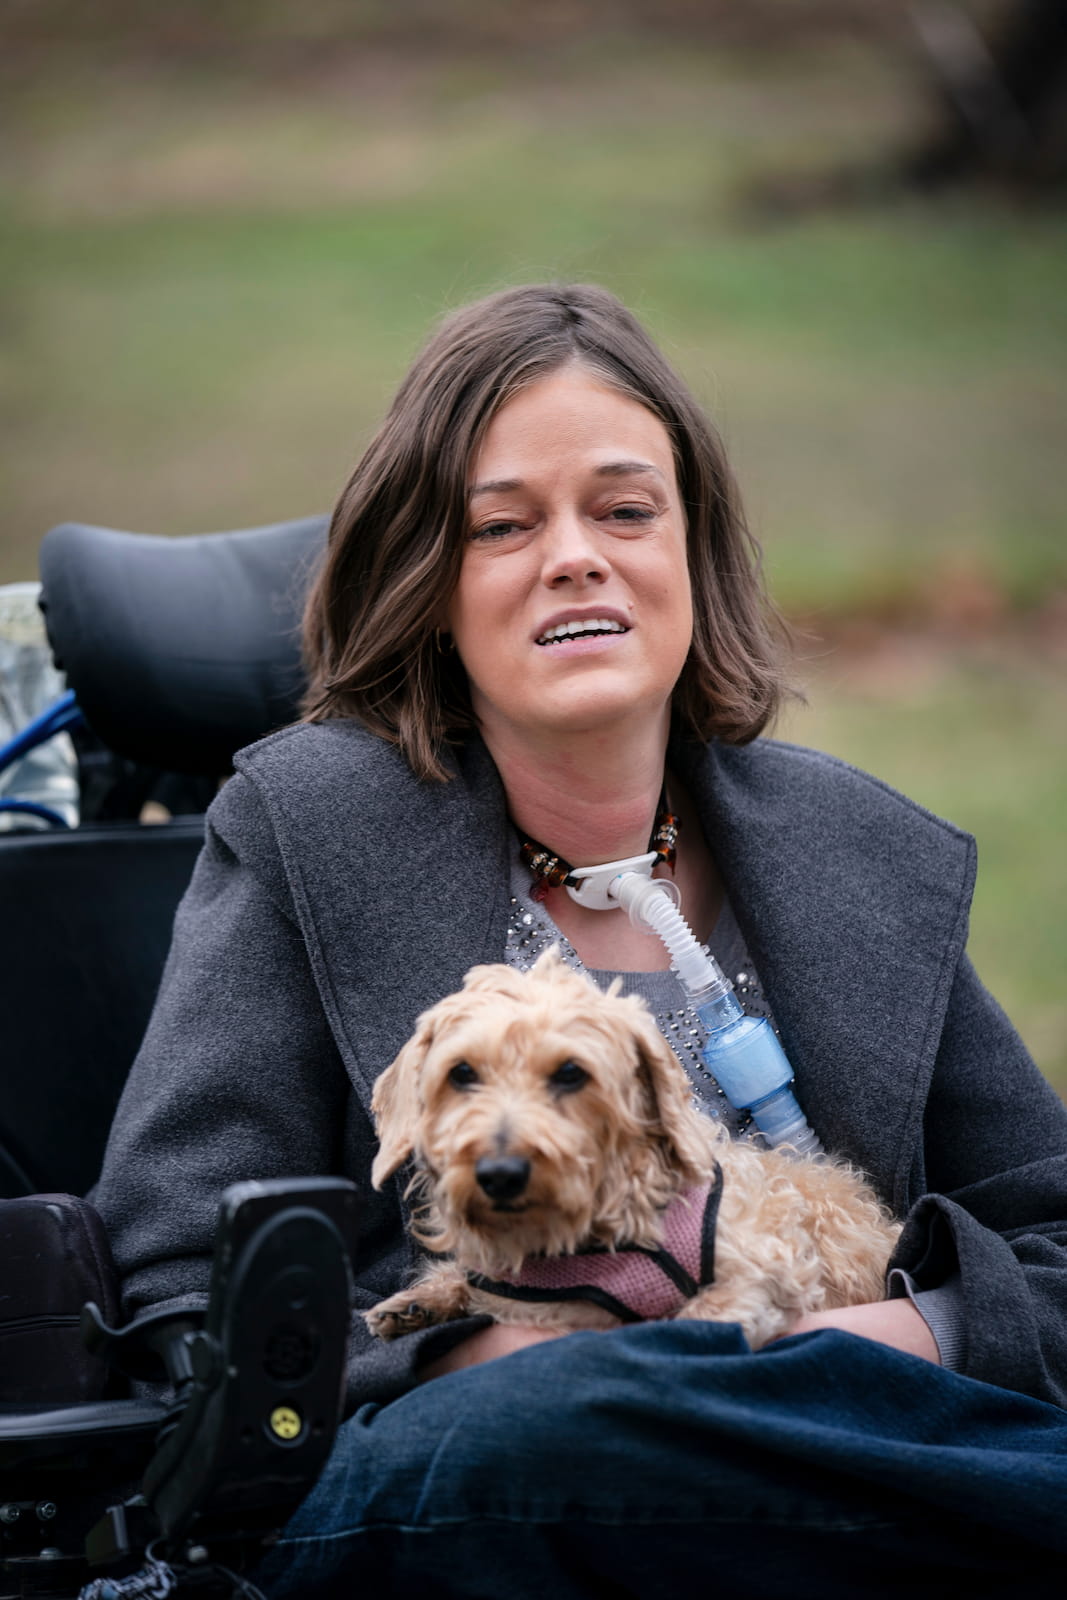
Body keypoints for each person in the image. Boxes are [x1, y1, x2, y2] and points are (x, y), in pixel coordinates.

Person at [93, 283, 1067, 1597]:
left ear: (692, 552)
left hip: (848, 1435)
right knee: (576, 1426)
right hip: (465, 1472)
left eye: (624, 510)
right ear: (432, 584)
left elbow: (1048, 1232)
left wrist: (858, 1342)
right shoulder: (304, 835)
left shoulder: (860, 858)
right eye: (504, 525)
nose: (575, 555)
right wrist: (571, 1354)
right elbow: (178, 1269)